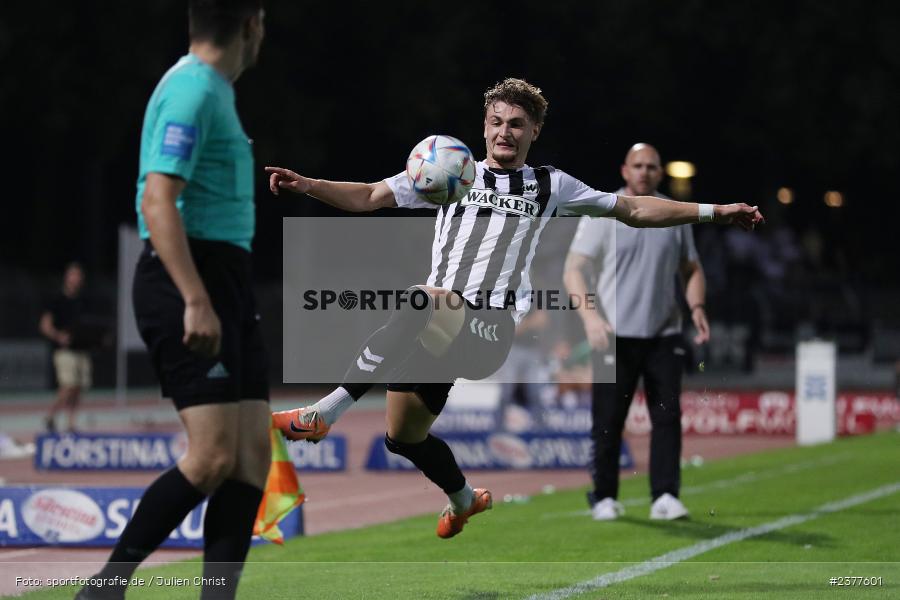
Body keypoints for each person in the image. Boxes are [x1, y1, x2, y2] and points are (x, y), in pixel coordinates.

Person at [266, 79, 762, 539]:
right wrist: (307, 184)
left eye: (517, 124)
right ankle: (464, 499)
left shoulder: (550, 185)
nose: (506, 132)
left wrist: (715, 211)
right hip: (438, 328)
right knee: (403, 437)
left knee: (422, 296)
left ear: (534, 131)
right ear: (484, 127)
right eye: (497, 122)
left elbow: (631, 209)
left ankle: (325, 412)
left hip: (489, 329)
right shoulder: (450, 170)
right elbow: (371, 195)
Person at [77, 2, 268, 599]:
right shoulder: (193, 91)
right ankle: (103, 590)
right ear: (251, 25)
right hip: (190, 279)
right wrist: (195, 298)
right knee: (211, 458)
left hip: (228, 280)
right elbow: (157, 199)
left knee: (250, 458)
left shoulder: (214, 90)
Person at [563, 143, 709, 521]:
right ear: (625, 170)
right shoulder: (604, 209)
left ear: (660, 173)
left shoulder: (674, 214)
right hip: (613, 334)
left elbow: (691, 267)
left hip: (664, 332)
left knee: (667, 417)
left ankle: (665, 496)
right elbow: (574, 269)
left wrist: (696, 306)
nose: (644, 171)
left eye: (651, 166)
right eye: (638, 165)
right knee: (608, 420)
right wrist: (590, 318)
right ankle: (604, 497)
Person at [39, 262, 92, 433]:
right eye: (73, 275)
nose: (76, 279)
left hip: (82, 349)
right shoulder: (56, 299)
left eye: (79, 275)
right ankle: (51, 415)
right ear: (66, 277)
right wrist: (58, 336)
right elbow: (45, 325)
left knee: (78, 388)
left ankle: (71, 423)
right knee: (67, 386)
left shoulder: (84, 300)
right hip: (64, 351)